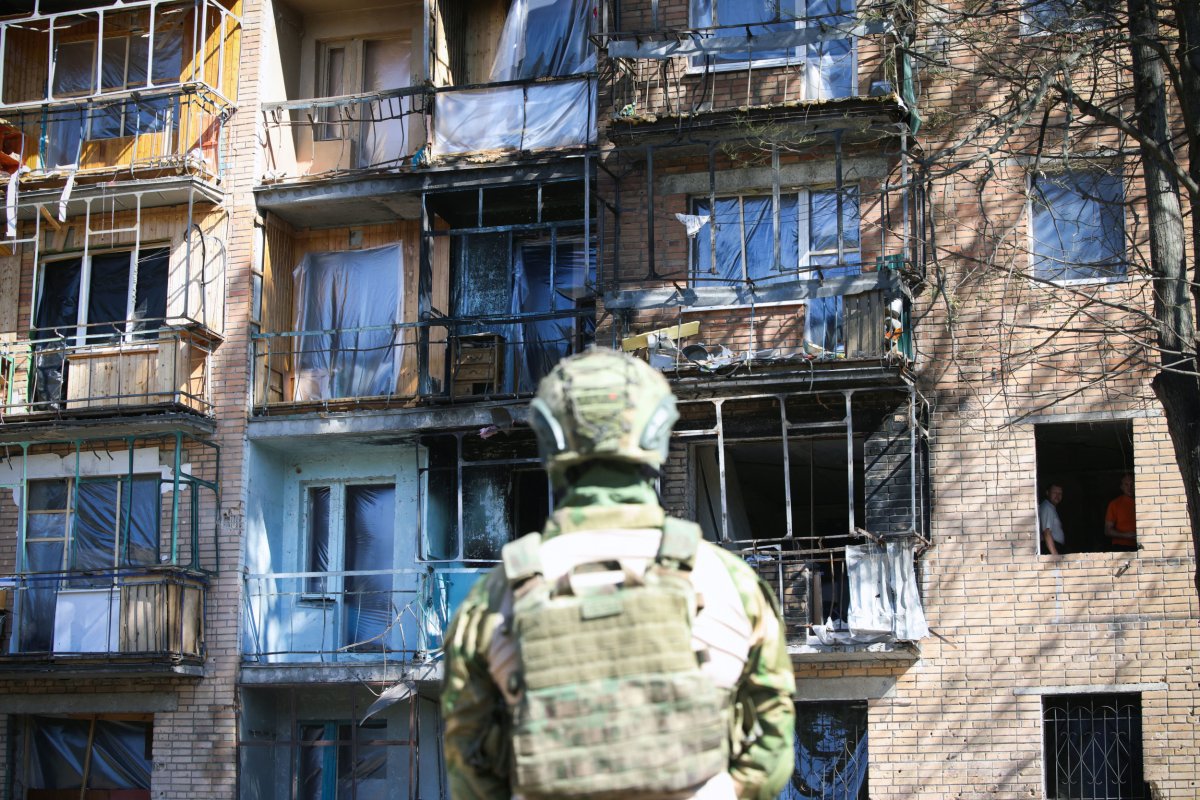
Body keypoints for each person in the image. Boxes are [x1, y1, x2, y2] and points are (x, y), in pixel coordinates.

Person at [441, 348, 796, 800]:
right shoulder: (730, 582)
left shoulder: (493, 598)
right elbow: (772, 746)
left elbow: (468, 766)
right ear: (657, 431)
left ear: (549, 437)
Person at [1104, 473, 1137, 551]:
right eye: (1126, 484)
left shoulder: (1144, 501)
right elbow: (1107, 531)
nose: (1130, 487)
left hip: (1143, 545)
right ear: (1121, 487)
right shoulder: (1115, 504)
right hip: (1121, 546)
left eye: (1132, 484)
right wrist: (1125, 535)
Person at [1039, 484, 1066, 556]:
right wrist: (1055, 555)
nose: (1057, 496)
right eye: (1054, 493)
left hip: (1053, 547)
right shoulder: (1047, 507)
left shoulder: (1051, 507)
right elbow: (1047, 532)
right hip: (1050, 549)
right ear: (1047, 493)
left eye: (1060, 493)